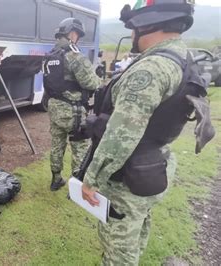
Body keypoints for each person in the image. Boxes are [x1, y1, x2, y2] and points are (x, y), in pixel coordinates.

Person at [81, 1, 205, 264]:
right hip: (153, 166)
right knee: (137, 225)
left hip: (128, 176)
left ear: (148, 24)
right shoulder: (182, 58)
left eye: (134, 27)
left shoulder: (151, 69)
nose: (133, 34)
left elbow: (121, 134)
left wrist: (92, 180)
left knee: (118, 249)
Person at [43, 17, 100, 191]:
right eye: (78, 35)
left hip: (54, 108)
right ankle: (77, 187)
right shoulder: (74, 55)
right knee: (80, 147)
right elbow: (91, 83)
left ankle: (56, 179)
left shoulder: (50, 55)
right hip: (72, 111)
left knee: (57, 144)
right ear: (73, 33)